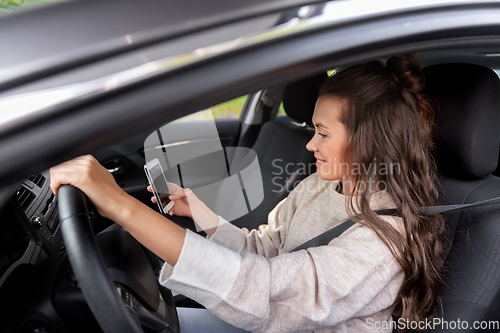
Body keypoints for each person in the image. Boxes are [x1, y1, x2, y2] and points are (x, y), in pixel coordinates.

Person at [50, 55, 444, 333]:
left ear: (371, 140)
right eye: (312, 130)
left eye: (323, 133)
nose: (310, 145)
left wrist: (121, 205)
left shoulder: (384, 242)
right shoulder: (322, 185)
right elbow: (266, 248)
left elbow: (268, 291)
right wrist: (203, 215)